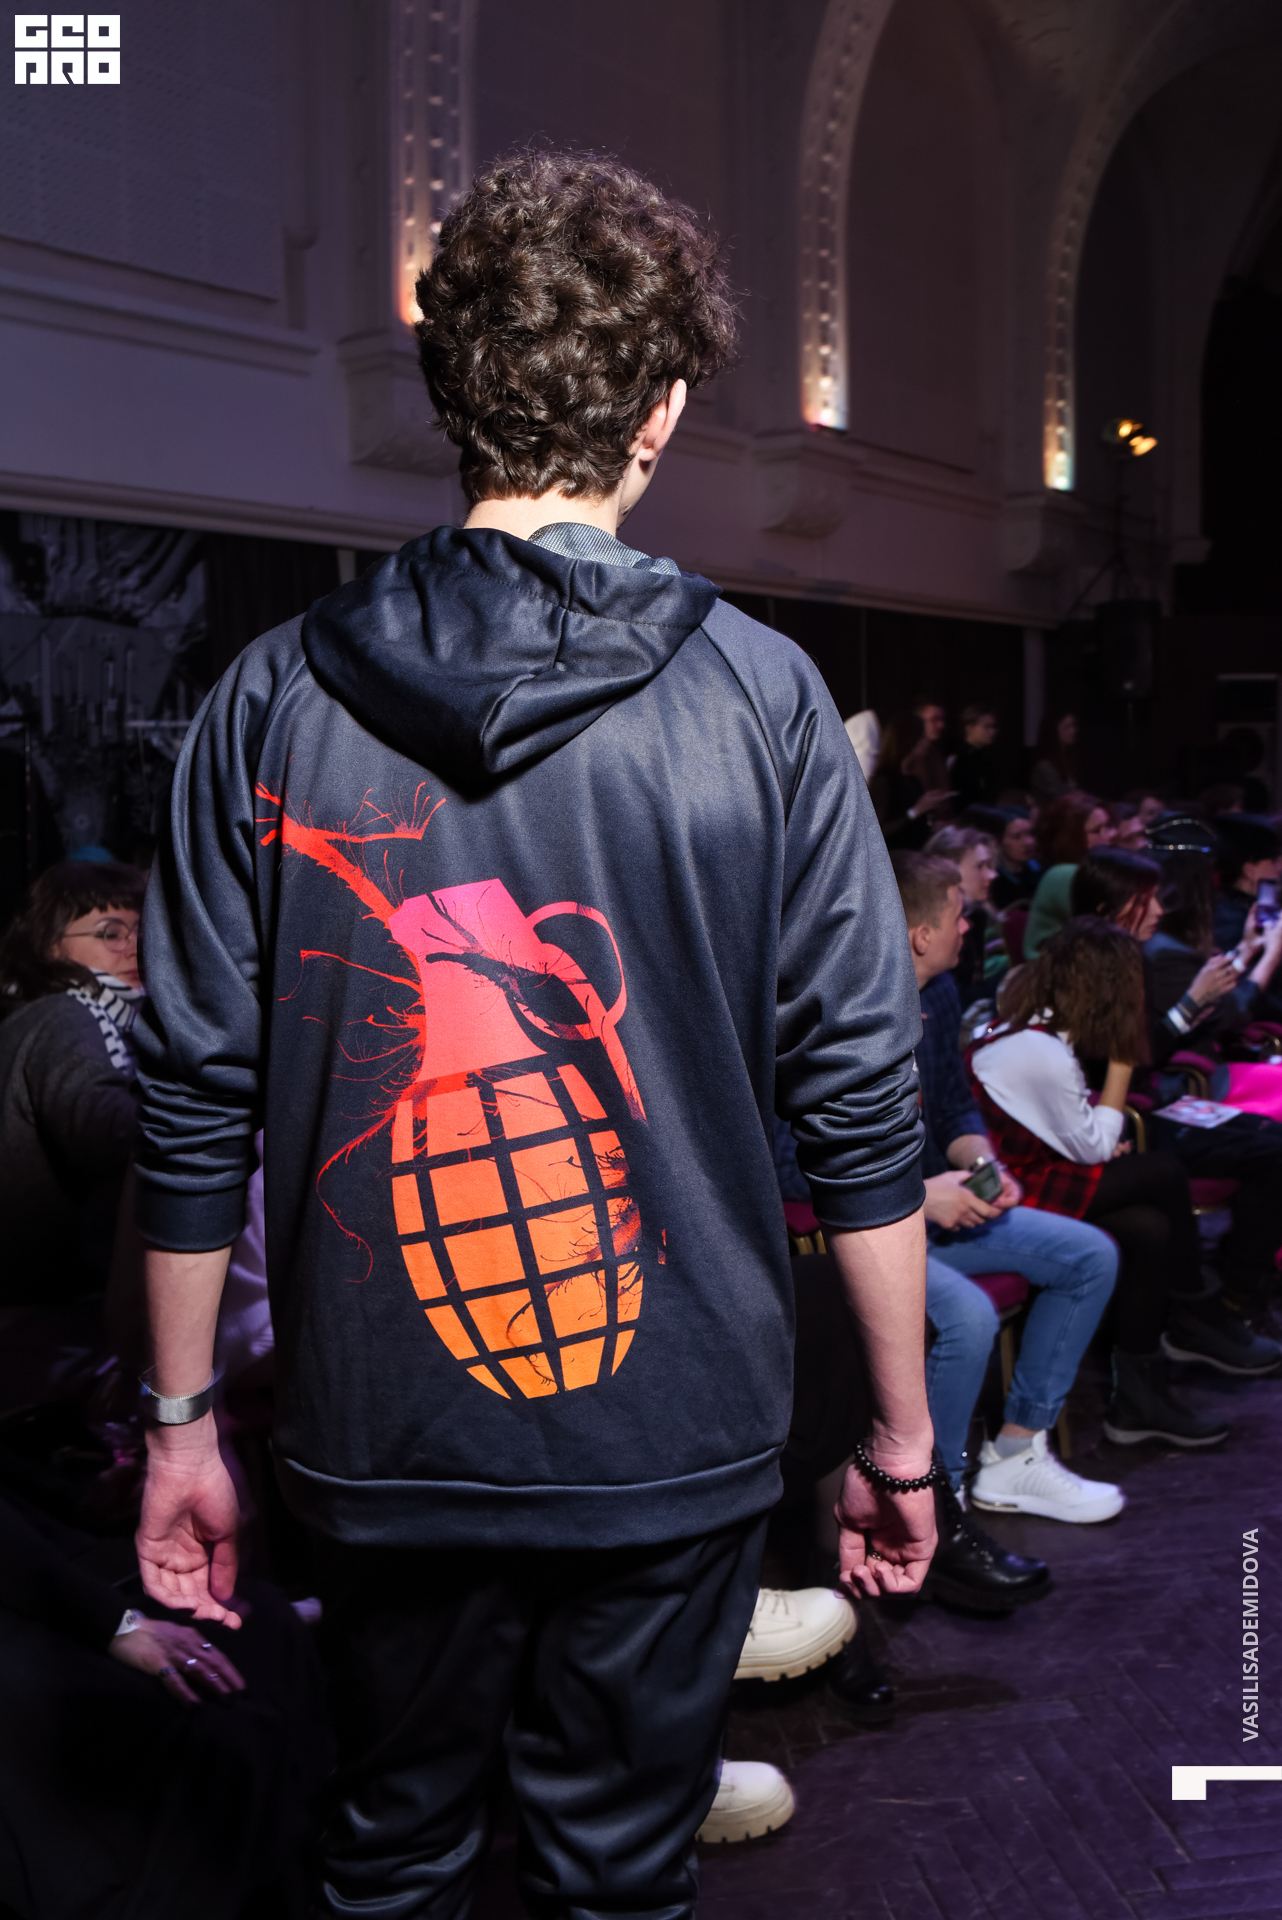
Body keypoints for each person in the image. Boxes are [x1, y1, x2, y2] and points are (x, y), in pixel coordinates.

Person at [131, 151, 936, 1919]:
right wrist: (900, 1433)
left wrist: (179, 1426)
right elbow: (862, 1107)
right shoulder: (764, 698)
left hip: (378, 1427)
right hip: (677, 1425)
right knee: (615, 1872)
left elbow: (190, 1103)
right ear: (661, 411)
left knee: (388, 1856)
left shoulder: (263, 696)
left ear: (449, 391)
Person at [971, 918, 1270, 1445]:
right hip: (1006, 1189)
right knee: (1162, 1172)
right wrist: (1123, 1059)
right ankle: (1195, 1313)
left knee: (1148, 1226)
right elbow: (1093, 1144)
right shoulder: (1042, 1050)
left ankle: (1140, 1400)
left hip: (1029, 1168)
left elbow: (1081, 1131)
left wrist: (1101, 1134)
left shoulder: (1045, 1030)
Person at [892, 853, 1122, 1526]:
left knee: (1091, 1256)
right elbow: (792, 1165)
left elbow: (953, 1106)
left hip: (933, 1206)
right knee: (969, 1317)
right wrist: (921, 1196)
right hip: (870, 1231)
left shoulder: (938, 992)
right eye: (959, 914)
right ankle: (936, 1501)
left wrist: (981, 1159)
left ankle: (1016, 1455)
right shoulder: (839, 1008)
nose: (970, 926)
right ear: (921, 935)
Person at [0, 860, 146, 1413]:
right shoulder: (68, 1014)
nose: (133, 947)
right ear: (50, 947)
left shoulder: (42, 1016)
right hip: (50, 1325)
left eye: (141, 930)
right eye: (110, 932)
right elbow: (106, 1132)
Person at [1023, 793, 1116, 960]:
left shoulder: (1086, 870)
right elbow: (1105, 925)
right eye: (1097, 830)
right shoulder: (1063, 874)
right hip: (1051, 968)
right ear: (1072, 837)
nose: (1109, 835)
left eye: (1107, 826)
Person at [922, 824, 1004, 1008]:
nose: (992, 874)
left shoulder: (976, 917)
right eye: (980, 866)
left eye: (990, 866)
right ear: (948, 868)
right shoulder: (931, 926)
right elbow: (951, 998)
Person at [869, 710, 953, 849]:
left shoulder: (912, 778)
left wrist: (934, 828)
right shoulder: (884, 779)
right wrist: (916, 810)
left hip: (915, 851)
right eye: (922, 737)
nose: (926, 742)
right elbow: (876, 831)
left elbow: (915, 826)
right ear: (908, 739)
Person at [1212, 814, 1281, 953]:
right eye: (1273, 861)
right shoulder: (1230, 925)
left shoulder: (1239, 908)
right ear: (1250, 871)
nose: (1279, 868)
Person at [967, 805, 1040, 912]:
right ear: (998, 842)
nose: (1028, 842)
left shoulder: (1039, 868)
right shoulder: (992, 884)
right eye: (1017, 836)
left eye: (1030, 833)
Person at [949, 704, 1000, 814]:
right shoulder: (959, 758)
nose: (993, 731)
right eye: (987, 727)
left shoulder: (985, 756)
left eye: (994, 727)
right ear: (970, 728)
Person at [1029, 710, 1079, 805]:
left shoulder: (1067, 759)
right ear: (1054, 730)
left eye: (1073, 726)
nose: (1073, 730)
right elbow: (1061, 799)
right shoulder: (1045, 766)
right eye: (1067, 727)